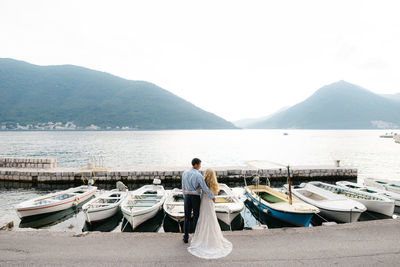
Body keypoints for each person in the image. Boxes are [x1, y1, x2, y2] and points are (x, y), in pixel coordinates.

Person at [187, 168, 233, 259]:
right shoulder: (214, 185)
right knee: (212, 220)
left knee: (203, 220)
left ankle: (201, 238)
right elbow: (215, 194)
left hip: (203, 203)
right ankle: (213, 240)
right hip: (210, 204)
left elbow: (197, 191)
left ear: (206, 174)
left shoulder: (202, 181)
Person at [181, 158, 215, 244]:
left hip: (187, 197)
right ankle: (195, 237)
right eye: (199, 164)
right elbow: (204, 187)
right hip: (195, 198)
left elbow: (183, 186)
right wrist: (212, 196)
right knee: (196, 217)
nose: (200, 166)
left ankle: (186, 237)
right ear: (195, 164)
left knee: (187, 217)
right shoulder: (198, 175)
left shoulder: (185, 173)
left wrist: (185, 196)